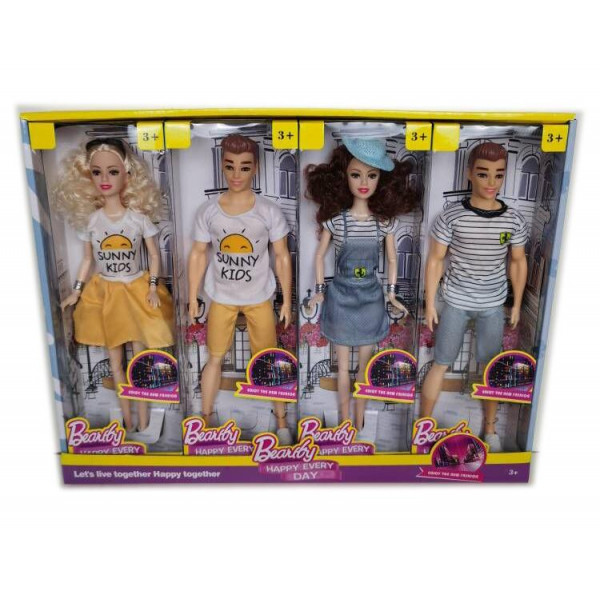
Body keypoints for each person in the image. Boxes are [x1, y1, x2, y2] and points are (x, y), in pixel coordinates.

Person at [53, 137, 174, 433]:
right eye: (97, 172)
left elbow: (154, 255)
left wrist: (152, 286)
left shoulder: (138, 219)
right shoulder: (91, 222)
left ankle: (144, 421)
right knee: (116, 362)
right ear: (87, 176)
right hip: (106, 294)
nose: (104, 179)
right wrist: (76, 291)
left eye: (113, 171)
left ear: (128, 175)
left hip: (135, 291)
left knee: (139, 361)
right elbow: (87, 260)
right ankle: (128, 421)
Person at [420, 141, 528, 452]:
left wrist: (516, 303)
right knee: (441, 362)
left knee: (490, 367)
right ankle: (423, 426)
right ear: (469, 174)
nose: (491, 182)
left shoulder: (513, 220)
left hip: (492, 304)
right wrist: (430, 302)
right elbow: (435, 260)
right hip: (456, 301)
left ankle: (491, 428)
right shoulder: (452, 216)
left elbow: (518, 262)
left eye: (498, 174)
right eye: (483, 174)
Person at [305, 138, 419, 429]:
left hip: (370, 299)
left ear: (383, 179)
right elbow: (319, 257)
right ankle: (345, 422)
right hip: (341, 298)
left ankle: (359, 420)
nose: (364, 182)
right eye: (356, 175)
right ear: (343, 177)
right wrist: (320, 292)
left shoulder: (383, 223)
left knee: (364, 368)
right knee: (343, 368)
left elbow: (392, 259)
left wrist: (391, 294)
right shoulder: (336, 221)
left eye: (372, 175)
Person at [187, 134, 293, 443]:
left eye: (244, 167)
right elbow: (198, 253)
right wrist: (192, 296)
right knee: (214, 357)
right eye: (230, 166)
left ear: (255, 168)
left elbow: (282, 256)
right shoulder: (209, 211)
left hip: (259, 296)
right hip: (221, 295)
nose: (236, 174)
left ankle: (282, 421)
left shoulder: (268, 212)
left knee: (269, 358)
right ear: (222, 165)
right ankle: (205, 419)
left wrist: (287, 299)